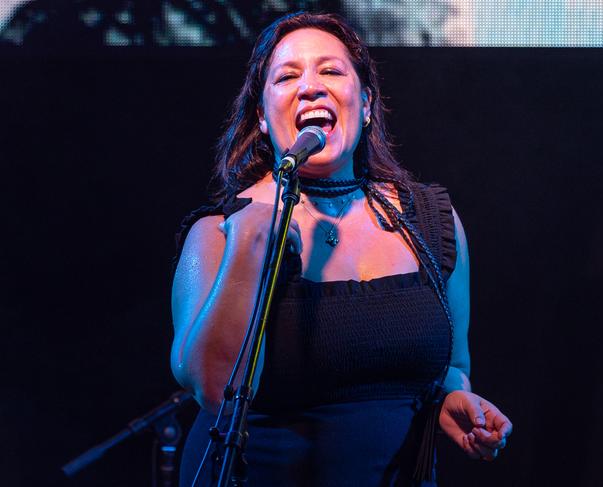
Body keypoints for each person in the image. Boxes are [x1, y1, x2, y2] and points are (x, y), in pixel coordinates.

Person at [171, 11, 512, 486]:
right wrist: (249, 242)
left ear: (367, 104)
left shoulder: (430, 223)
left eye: (330, 70)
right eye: (287, 76)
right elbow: (213, 387)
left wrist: (453, 398)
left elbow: (453, 365)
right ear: (263, 121)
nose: (310, 86)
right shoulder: (219, 233)